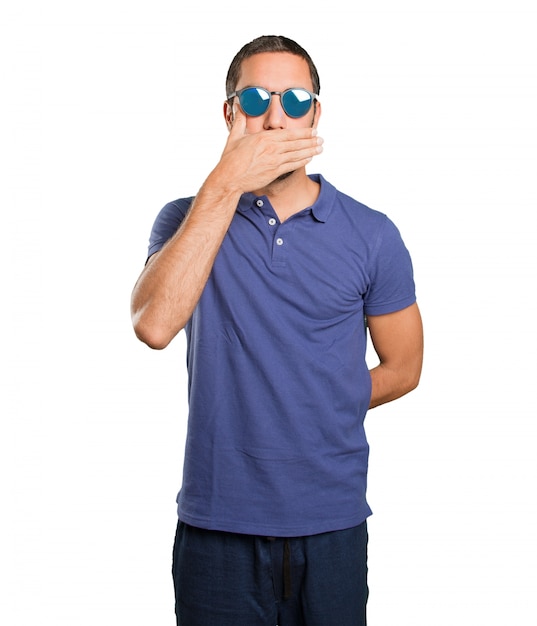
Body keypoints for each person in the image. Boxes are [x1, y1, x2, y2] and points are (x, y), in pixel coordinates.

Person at [131, 34, 423, 626]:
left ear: (315, 113)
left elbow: (404, 367)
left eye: (293, 100)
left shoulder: (372, 234)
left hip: (332, 525)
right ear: (230, 112)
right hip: (216, 528)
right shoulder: (184, 218)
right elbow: (155, 325)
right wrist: (224, 182)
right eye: (256, 98)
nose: (273, 117)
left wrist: (325, 399)